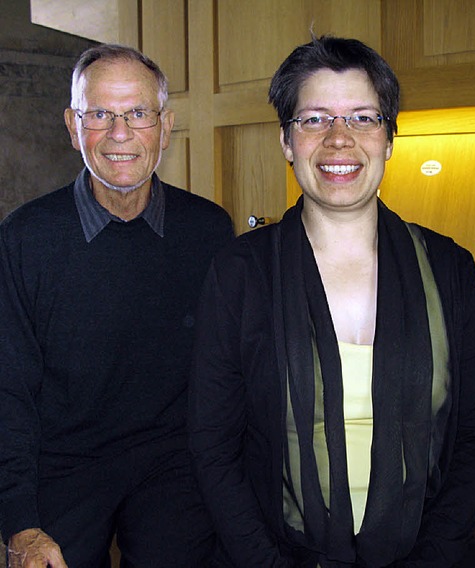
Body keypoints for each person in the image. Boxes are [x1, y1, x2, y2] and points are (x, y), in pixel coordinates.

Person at [189, 35, 475, 567]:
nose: (339, 139)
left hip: (425, 552)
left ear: (389, 139)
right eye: (314, 119)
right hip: (278, 554)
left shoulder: (450, 267)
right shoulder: (239, 273)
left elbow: (474, 432)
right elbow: (213, 447)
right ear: (287, 142)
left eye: (362, 117)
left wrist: (433, 556)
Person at [0, 44, 234, 567]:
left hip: (173, 462)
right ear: (72, 125)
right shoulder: (24, 238)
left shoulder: (210, 230)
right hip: (62, 461)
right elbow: (7, 389)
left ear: (165, 125)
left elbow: (231, 374)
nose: (119, 132)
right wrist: (18, 522)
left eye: (137, 113)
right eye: (100, 113)